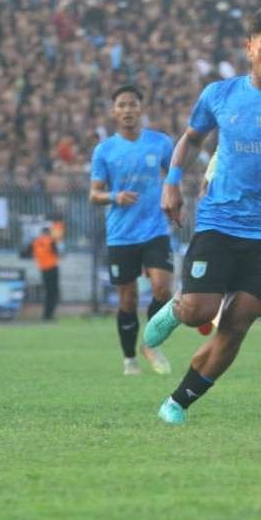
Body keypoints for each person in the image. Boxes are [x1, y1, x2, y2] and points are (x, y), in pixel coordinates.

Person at [144, 5, 261, 424]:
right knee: (200, 312)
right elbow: (191, 138)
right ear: (249, 48)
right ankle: (177, 309)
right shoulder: (219, 94)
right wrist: (171, 182)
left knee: (238, 324)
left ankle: (179, 401)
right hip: (220, 222)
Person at [197, 147, 261, 389]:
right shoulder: (234, 139)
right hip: (231, 231)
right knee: (229, 300)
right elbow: (207, 187)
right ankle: (208, 314)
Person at [89, 84, 174, 376]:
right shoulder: (105, 150)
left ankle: (150, 344)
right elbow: (94, 194)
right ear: (114, 112)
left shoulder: (161, 143)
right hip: (122, 233)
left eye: (132, 104)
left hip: (155, 229)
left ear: (141, 108)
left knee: (163, 287)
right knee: (128, 299)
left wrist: (177, 200)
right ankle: (129, 359)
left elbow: (174, 175)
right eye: (121, 105)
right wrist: (115, 197)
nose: (127, 110)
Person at [21, 226, 60, 320]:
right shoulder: (51, 241)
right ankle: (49, 315)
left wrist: (35, 256)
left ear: (41, 233)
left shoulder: (35, 242)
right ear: (49, 233)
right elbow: (56, 253)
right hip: (53, 269)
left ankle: (46, 315)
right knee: (53, 293)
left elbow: (23, 254)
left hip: (43, 269)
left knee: (47, 292)